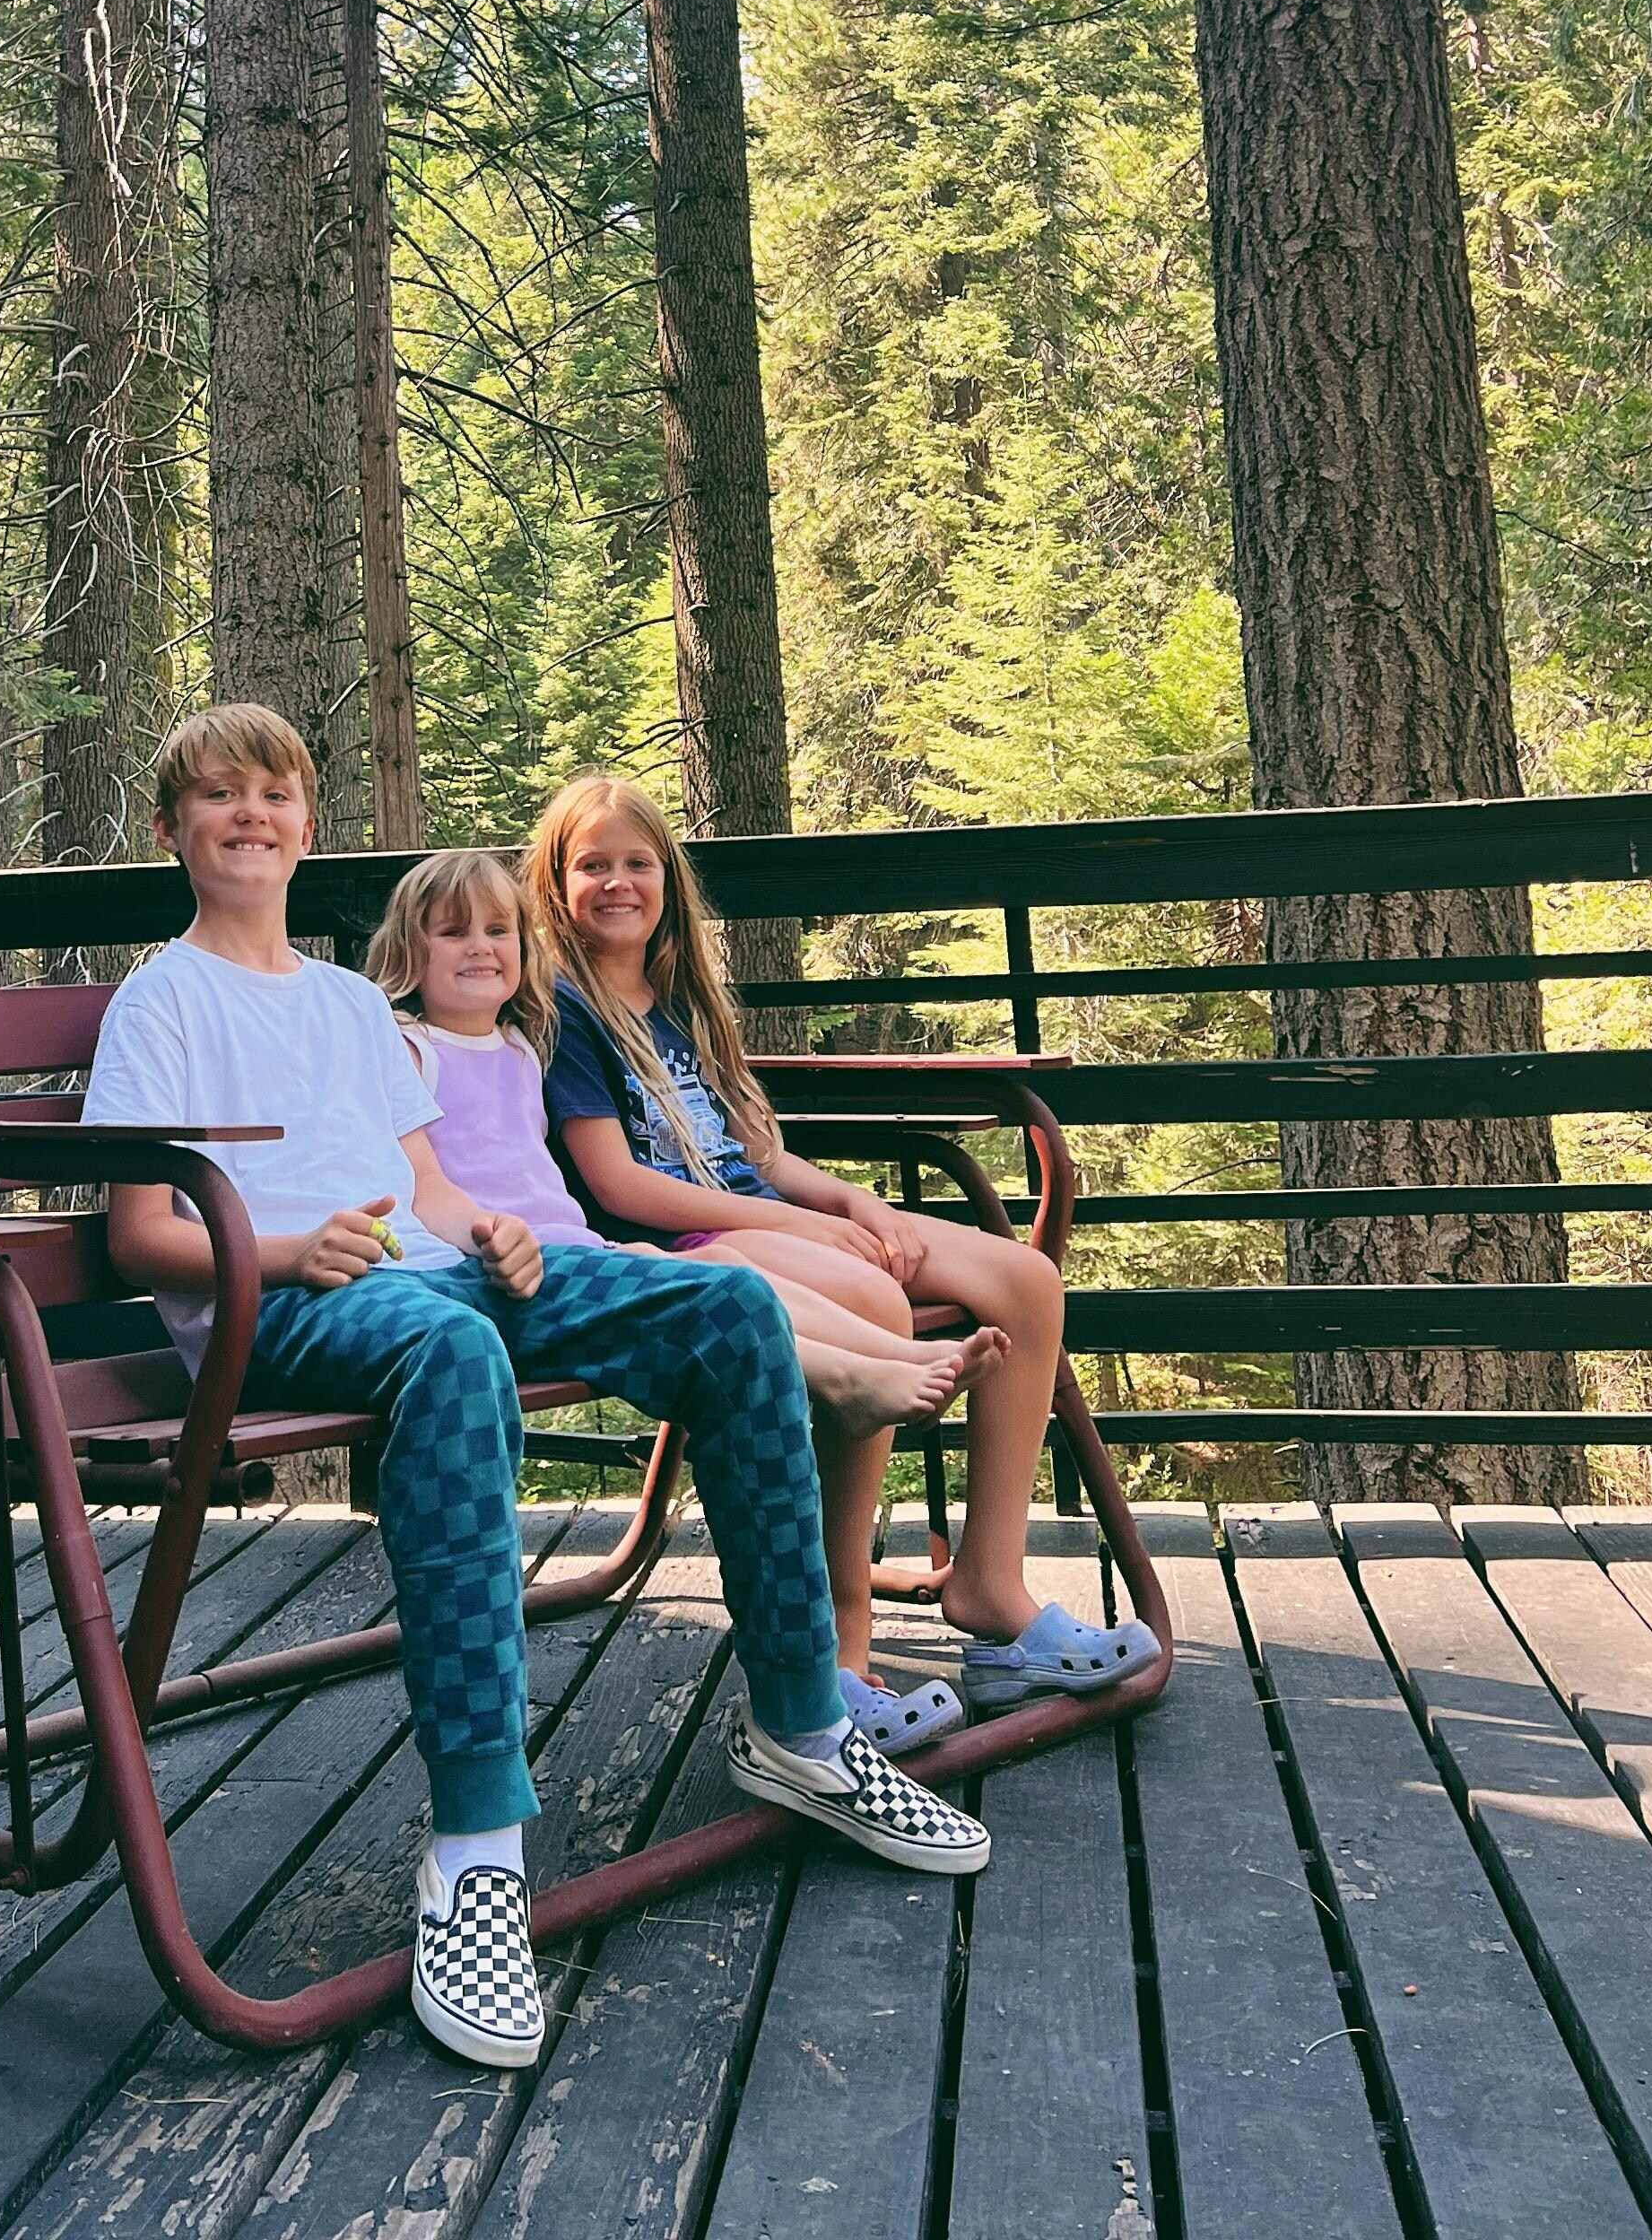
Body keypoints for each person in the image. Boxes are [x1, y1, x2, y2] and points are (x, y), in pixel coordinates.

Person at [88, 703, 988, 2075]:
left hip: (424, 1276)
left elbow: (430, 1187)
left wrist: (492, 1232)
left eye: (273, 793)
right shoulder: (163, 1002)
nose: (250, 816)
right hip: (279, 1308)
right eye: (217, 798)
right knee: (450, 1354)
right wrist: (285, 1246)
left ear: (307, 822)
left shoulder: (345, 1004)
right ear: (173, 831)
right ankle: (478, 1848)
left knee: (728, 1302)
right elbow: (144, 1233)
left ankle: (804, 1724)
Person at [526, 772, 1164, 1724]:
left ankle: (991, 1585)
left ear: (668, 879)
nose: (617, 883)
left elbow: (765, 1153)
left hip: (760, 1215)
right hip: (681, 1245)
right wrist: (809, 1229)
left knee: (1025, 1279)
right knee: (873, 1299)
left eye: (638, 863)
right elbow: (618, 1187)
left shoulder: (683, 1002)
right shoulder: (564, 1010)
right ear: (553, 883)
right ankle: (846, 1652)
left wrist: (853, 1202)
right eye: (592, 866)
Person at [364, 844, 1003, 1755]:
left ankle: (889, 1362)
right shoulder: (404, 1046)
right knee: (719, 1296)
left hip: (578, 1255)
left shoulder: (518, 1042)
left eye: (499, 931)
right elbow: (410, 1173)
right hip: (501, 1270)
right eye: (452, 932)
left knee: (737, 1288)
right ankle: (860, 1377)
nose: (479, 948)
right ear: (407, 950)